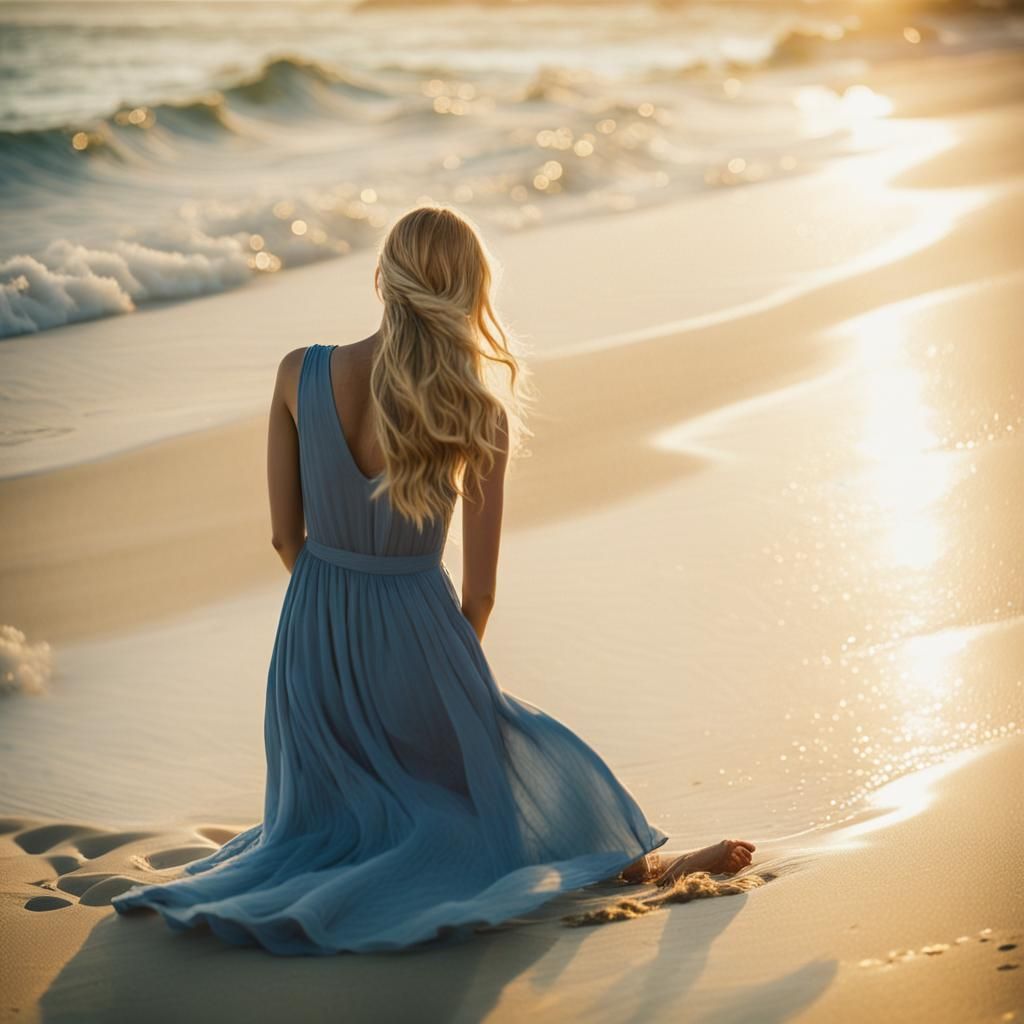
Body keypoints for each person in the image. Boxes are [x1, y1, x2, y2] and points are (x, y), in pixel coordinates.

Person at [111, 204, 754, 954]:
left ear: (382, 277)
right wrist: (447, 685)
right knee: (510, 780)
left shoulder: (297, 373)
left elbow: (286, 537)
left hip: (308, 648)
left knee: (335, 823)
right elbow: (480, 593)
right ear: (471, 292)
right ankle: (646, 865)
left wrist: (335, 609)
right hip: (418, 636)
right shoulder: (477, 411)